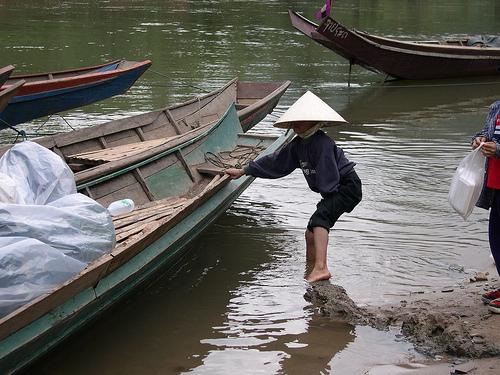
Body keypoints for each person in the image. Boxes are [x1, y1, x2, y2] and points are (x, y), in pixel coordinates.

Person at [225, 91, 362, 282]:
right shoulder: (298, 144)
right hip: (332, 188)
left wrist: (327, 196)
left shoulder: (322, 143)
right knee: (309, 232)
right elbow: (275, 162)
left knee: (321, 219)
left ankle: (321, 268)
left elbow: (328, 173)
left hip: (346, 187)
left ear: (314, 121)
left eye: (301, 120)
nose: (295, 124)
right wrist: (244, 171)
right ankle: (310, 268)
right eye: (294, 121)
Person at [472, 100, 500, 314]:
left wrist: (497, 149)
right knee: (496, 238)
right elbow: (484, 132)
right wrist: (479, 140)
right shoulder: (496, 107)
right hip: (495, 184)